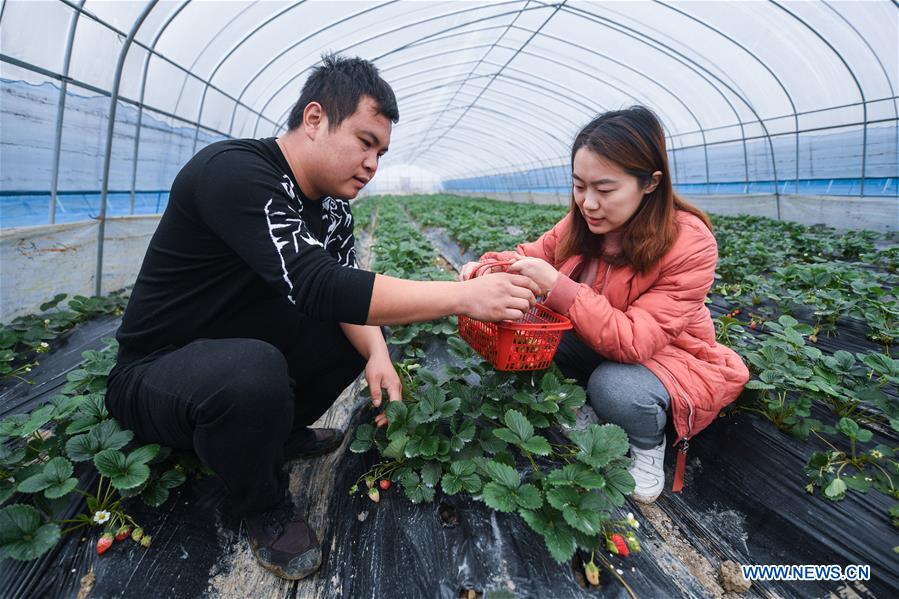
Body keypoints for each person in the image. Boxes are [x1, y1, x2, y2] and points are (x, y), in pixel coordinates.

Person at [105, 54, 539, 581]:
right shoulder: (233, 172)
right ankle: (263, 506)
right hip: (156, 373)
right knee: (252, 371)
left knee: (348, 339)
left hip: (236, 350)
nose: (373, 163)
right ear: (314, 120)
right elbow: (316, 283)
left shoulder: (333, 206)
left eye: (381, 151)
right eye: (364, 142)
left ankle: (271, 433)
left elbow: (343, 290)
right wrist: (462, 297)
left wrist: (378, 353)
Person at [462, 106, 749, 504]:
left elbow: (634, 342)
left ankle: (648, 446)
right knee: (524, 330)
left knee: (614, 387)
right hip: (597, 341)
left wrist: (558, 286)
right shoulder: (582, 222)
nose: (588, 203)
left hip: (665, 359)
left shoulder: (690, 242)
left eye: (605, 189)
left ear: (650, 183)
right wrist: (485, 268)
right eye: (579, 186)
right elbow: (528, 255)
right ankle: (586, 408)